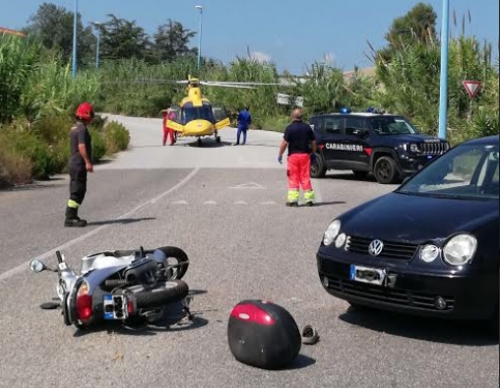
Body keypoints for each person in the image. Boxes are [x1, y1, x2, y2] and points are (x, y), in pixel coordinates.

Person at [277, 108, 317, 206]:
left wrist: (280, 154)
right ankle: (309, 200)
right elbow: (314, 142)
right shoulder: (307, 128)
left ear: (293, 116)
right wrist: (313, 153)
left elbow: (284, 143)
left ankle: (293, 201)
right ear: (301, 117)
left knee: (293, 177)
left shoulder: (289, 128)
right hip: (305, 156)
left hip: (293, 157)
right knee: (305, 177)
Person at [64, 102, 94, 227]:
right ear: (87, 115)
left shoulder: (75, 128)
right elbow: (81, 146)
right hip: (78, 164)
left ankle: (72, 216)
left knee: (76, 190)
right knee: (78, 191)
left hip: (73, 164)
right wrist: (87, 162)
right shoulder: (82, 129)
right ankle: (70, 217)